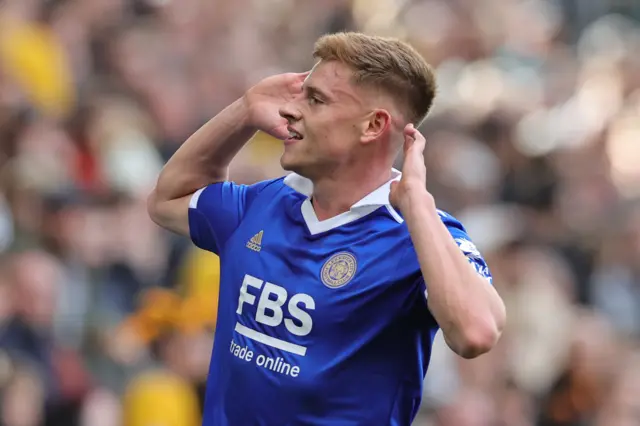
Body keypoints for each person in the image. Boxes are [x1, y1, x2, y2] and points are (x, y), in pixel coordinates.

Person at [147, 32, 506, 426]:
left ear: (372, 125)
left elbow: (476, 332)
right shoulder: (261, 204)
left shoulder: (422, 236)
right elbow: (168, 200)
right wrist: (245, 110)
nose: (290, 110)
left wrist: (417, 202)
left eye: (315, 100)